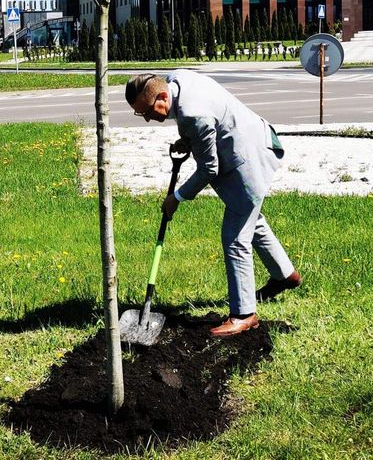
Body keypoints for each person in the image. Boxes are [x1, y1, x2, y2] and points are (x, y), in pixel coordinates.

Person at [126, 71, 301, 337]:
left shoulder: (192, 116)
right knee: (251, 220)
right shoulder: (178, 80)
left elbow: (209, 168)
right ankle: (285, 275)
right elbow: (212, 120)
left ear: (163, 96)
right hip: (248, 140)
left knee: (235, 237)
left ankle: (244, 314)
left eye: (147, 111)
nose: (148, 117)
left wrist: (178, 197)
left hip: (250, 158)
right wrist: (191, 141)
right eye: (141, 114)